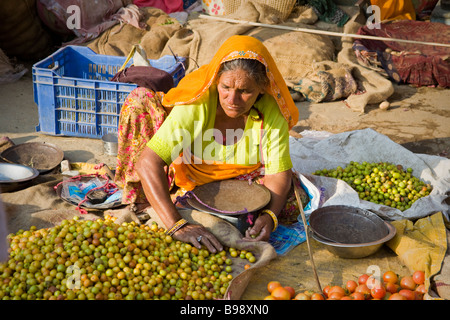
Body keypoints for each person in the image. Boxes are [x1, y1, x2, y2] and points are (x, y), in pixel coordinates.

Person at [115, 35, 300, 253]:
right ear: (216, 79)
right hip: (187, 174)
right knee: (139, 100)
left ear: (261, 88)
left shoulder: (270, 110)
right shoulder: (199, 102)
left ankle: (199, 210)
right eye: (226, 87)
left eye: (244, 91)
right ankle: (151, 200)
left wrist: (269, 216)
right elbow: (148, 162)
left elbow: (278, 173)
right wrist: (177, 225)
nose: (232, 99)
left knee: (293, 200)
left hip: (241, 183)